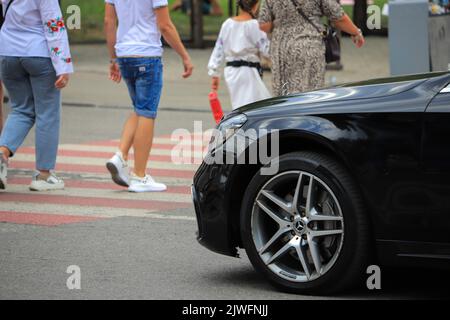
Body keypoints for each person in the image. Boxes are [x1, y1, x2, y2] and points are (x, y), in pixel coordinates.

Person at [104, 0, 194, 193]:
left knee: (139, 107)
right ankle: (139, 175)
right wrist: (184, 56)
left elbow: (108, 22)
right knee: (147, 112)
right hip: (147, 54)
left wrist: (113, 58)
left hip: (124, 54)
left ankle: (120, 156)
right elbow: (165, 25)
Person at [0, 0, 73, 191]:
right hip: (39, 54)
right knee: (47, 114)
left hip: (7, 54)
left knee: (20, 109)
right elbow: (54, 25)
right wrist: (63, 66)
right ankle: (44, 175)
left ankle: (1, 153)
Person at [259, 0, 365, 96]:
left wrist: (283, 24)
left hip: (281, 49)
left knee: (283, 93)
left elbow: (264, 25)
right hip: (309, 46)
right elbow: (338, 16)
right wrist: (356, 32)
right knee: (309, 93)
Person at [208, 0, 271, 110]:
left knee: (241, 103)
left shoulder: (228, 24)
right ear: (256, 6)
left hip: (231, 70)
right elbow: (267, 49)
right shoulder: (254, 25)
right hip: (249, 71)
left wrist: (214, 72)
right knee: (253, 106)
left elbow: (218, 48)